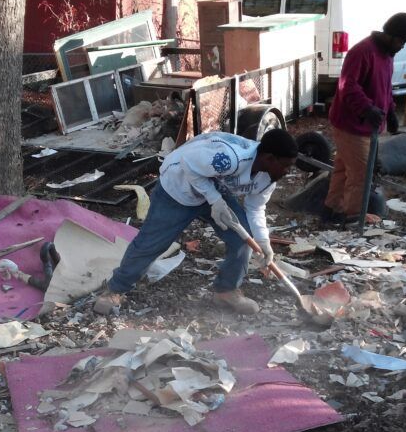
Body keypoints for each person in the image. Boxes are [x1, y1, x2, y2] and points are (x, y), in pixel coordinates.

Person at [93, 128, 298, 317]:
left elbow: (255, 208)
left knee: (242, 239)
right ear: (270, 158)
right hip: (178, 187)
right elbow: (188, 163)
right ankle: (116, 288)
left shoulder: (267, 178)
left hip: (215, 189)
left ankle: (226, 290)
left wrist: (263, 241)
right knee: (151, 243)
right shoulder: (230, 158)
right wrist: (214, 199)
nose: (289, 171)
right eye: (286, 166)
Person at [323, 12, 406, 224]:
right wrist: (366, 109)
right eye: (401, 41)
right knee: (361, 174)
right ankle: (355, 217)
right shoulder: (362, 52)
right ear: (391, 35)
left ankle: (332, 209)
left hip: (367, 125)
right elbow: (347, 86)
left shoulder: (387, 55)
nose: (402, 46)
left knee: (343, 168)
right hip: (351, 124)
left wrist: (391, 111)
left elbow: (384, 88)